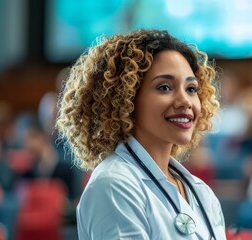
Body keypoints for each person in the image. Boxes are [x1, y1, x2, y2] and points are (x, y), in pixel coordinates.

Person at [56, 29, 225, 239]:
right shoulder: (114, 185)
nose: (185, 101)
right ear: (125, 100)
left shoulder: (201, 192)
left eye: (191, 89)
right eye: (164, 87)